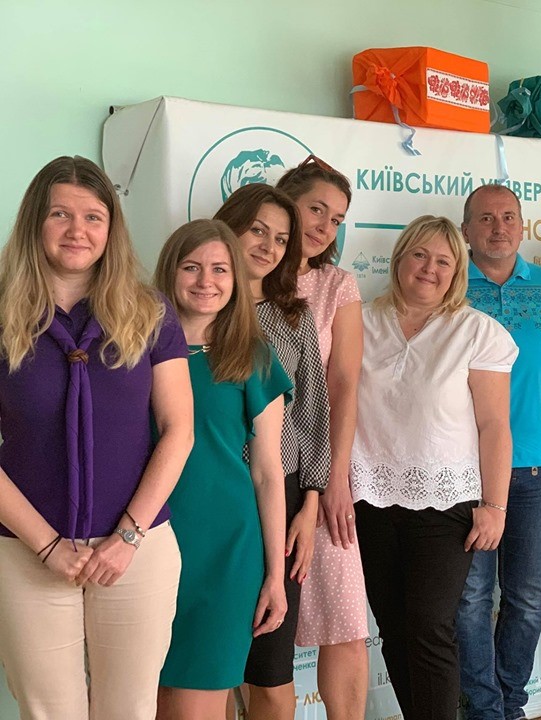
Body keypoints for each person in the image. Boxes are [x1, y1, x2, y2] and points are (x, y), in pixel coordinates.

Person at [0, 155, 194, 720]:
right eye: (60, 214)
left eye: (93, 217)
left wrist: (127, 537)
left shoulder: (150, 312)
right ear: (35, 222)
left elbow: (178, 431)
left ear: (111, 229)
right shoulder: (2, 313)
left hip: (137, 548)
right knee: (48, 711)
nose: (77, 230)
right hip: (25, 550)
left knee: (129, 709)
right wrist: (47, 545)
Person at [352, 214, 516, 720]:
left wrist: (495, 506)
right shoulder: (357, 321)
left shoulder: (477, 331)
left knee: (430, 627)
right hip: (368, 497)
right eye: (420, 255)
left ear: (457, 272)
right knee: (394, 629)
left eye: (444, 261)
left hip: (446, 504)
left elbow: (494, 426)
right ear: (399, 258)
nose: (430, 268)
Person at [457, 183, 541, 720]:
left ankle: (508, 703)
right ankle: (483, 709)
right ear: (466, 230)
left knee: (527, 598)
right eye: (486, 218)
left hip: (539, 470)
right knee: (469, 599)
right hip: (463, 472)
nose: (499, 227)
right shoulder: (448, 283)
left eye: (509, 217)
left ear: (522, 225)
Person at [154, 220, 291, 720]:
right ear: (170, 272)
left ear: (236, 279)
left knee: (198, 706)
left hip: (225, 554)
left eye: (219, 269)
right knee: (142, 702)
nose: (205, 281)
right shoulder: (131, 351)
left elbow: (268, 473)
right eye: (191, 267)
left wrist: (275, 575)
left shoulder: (252, 356)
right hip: (143, 543)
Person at [214, 184, 333, 718]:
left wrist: (310, 505)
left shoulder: (292, 317)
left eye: (281, 239)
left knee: (269, 665)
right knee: (207, 665)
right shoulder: (192, 306)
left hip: (279, 498)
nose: (268, 246)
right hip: (208, 493)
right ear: (230, 225)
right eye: (257, 230)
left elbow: (313, 412)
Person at [275, 156, 369, 720]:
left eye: (336, 219)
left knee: (345, 623)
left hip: (321, 473)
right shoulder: (239, 273)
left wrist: (335, 480)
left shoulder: (337, 285)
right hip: (251, 473)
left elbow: (344, 385)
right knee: (259, 629)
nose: (324, 227)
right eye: (316, 209)